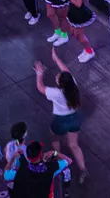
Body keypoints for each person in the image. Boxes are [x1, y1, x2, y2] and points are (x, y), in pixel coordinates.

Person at [32, 55, 86, 184]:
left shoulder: (56, 93)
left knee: (54, 137)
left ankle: (58, 158)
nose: (57, 75)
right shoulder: (73, 85)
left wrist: (39, 73)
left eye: (58, 77)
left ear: (60, 83)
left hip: (60, 120)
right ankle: (83, 169)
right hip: (74, 118)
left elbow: (40, 87)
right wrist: (57, 59)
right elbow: (66, 71)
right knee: (73, 144)